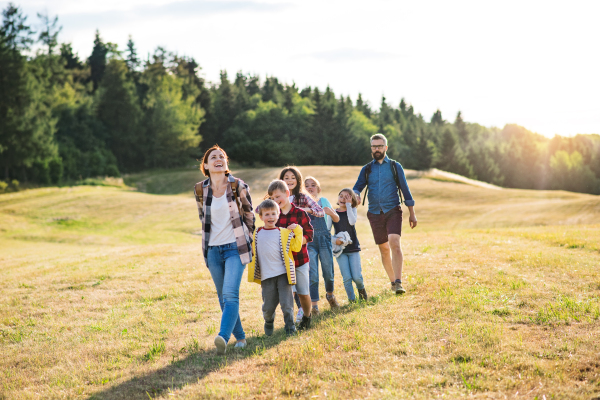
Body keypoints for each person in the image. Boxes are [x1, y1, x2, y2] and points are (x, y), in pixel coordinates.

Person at [195, 145, 255, 355]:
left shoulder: (238, 186)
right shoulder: (200, 189)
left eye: (222, 156)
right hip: (212, 250)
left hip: (234, 248)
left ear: (226, 163)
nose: (218, 159)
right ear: (206, 165)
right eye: (213, 157)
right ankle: (240, 338)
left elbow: (249, 214)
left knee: (230, 294)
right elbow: (203, 217)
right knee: (223, 297)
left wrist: (247, 237)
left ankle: (223, 337)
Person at [353, 133, 417, 295]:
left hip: (393, 210)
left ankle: (399, 281)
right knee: (383, 249)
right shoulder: (367, 169)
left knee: (394, 242)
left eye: (380, 146)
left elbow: (405, 189)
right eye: (374, 146)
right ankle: (392, 282)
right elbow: (357, 187)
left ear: (386, 148)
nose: (377, 149)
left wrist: (412, 213)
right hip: (374, 213)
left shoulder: (395, 167)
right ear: (371, 149)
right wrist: (355, 195)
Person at [247, 199, 303, 336]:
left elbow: (296, 246)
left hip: (283, 274)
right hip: (266, 276)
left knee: (287, 305)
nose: (270, 217)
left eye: (273, 214)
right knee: (268, 307)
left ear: (278, 215)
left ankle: (290, 328)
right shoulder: (256, 234)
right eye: (267, 214)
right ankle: (269, 321)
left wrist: (297, 230)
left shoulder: (284, 233)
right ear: (261, 217)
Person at [268, 179, 315, 330]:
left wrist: (298, 239)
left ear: (287, 194)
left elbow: (309, 233)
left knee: (302, 293)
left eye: (278, 196)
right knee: (287, 294)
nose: (276, 200)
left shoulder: (300, 213)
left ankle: (307, 316)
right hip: (282, 262)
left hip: (300, 260)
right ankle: (289, 323)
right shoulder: (274, 217)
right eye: (272, 198)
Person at [279, 167, 324, 321]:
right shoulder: (277, 197)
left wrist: (302, 209)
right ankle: (292, 317)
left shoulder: (302, 196)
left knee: (302, 285)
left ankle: (304, 313)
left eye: (293, 178)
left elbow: (320, 211)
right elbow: (261, 210)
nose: (289, 180)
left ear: (298, 181)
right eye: (286, 177)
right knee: (288, 287)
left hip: (301, 244)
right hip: (282, 250)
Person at [304, 176, 340, 313]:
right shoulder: (303, 205)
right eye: (306, 186)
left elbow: (337, 218)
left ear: (318, 189)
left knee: (328, 272)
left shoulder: (323, 201)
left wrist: (330, 212)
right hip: (309, 241)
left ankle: (330, 296)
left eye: (313, 185)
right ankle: (314, 306)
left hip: (324, 239)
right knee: (312, 274)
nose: (310, 188)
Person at [332, 189, 367, 302]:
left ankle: (362, 292)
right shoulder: (333, 213)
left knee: (357, 277)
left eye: (347, 197)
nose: (343, 199)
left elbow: (352, 222)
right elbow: (327, 233)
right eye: (341, 196)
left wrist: (348, 206)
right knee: (347, 278)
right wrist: (335, 240)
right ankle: (352, 300)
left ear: (352, 200)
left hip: (353, 248)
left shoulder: (353, 210)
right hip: (340, 250)